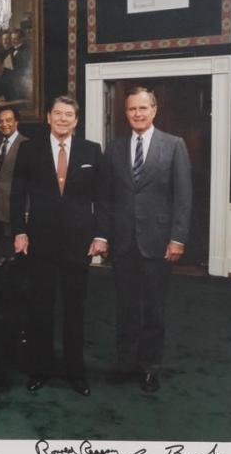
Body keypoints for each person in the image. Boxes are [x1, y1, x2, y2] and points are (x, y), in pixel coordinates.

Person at [97, 86, 193, 393]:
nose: (137, 114)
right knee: (125, 307)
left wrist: (177, 238)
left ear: (154, 110)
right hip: (123, 242)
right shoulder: (114, 148)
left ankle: (149, 367)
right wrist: (104, 235)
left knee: (153, 308)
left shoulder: (174, 145)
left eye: (142, 108)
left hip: (158, 241)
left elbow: (183, 197)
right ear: (125, 114)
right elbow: (106, 197)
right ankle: (125, 364)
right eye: (131, 110)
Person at [11, 96, 103, 396]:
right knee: (41, 307)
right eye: (58, 114)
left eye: (69, 115)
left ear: (76, 120)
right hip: (40, 240)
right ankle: (41, 369)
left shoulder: (92, 150)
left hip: (78, 242)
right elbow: (17, 193)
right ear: (48, 117)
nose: (63, 119)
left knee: (75, 308)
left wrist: (100, 235)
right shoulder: (29, 149)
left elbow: (101, 197)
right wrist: (20, 232)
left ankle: (75, 371)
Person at [0, 106, 27, 239]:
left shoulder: (26, 144)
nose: (4, 124)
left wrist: (27, 210)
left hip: (15, 210)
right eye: (1, 121)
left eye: (8, 120)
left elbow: (30, 180)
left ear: (16, 122)